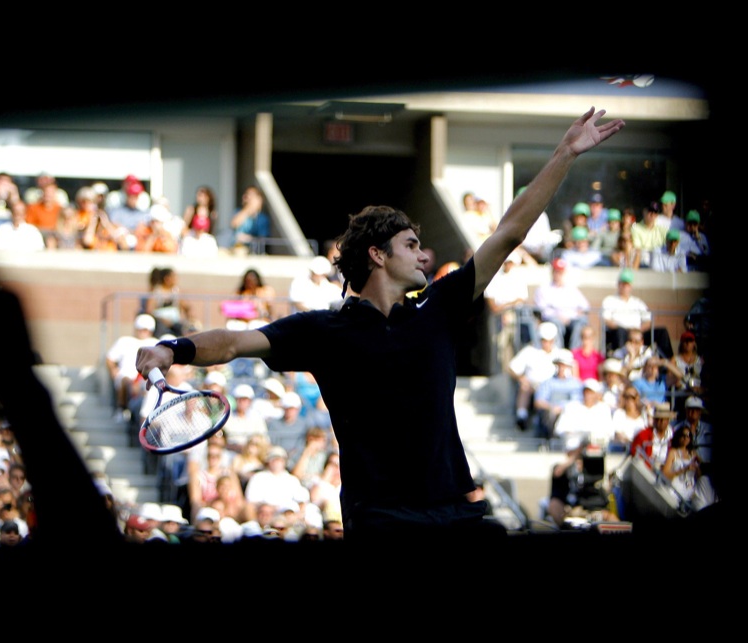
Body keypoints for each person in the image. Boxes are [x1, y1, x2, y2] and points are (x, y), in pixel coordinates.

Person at [135, 107, 626, 541]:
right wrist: (173, 349)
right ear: (377, 254)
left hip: (455, 512)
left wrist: (565, 153)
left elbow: (510, 231)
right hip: (382, 521)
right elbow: (233, 342)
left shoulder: (439, 308)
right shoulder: (324, 331)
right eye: (410, 245)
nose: (423, 254)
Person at [508, 322, 571, 431]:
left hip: (554, 388)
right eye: (544, 340)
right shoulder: (530, 351)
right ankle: (522, 416)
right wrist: (521, 378)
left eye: (549, 340)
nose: (546, 343)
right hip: (534, 387)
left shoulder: (561, 354)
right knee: (525, 387)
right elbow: (512, 367)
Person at [104, 313, 160, 423]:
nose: (142, 332)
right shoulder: (124, 341)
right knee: (125, 381)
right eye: (140, 329)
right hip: (126, 377)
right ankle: (122, 409)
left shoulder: (155, 343)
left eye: (145, 329)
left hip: (146, 378)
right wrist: (113, 370)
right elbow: (110, 358)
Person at [484, 251, 535, 369]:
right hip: (499, 316)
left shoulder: (518, 278)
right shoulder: (495, 277)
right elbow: (492, 304)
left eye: (510, 262)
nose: (508, 265)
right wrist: (508, 306)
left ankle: (514, 371)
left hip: (514, 315)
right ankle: (498, 371)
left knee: (516, 344)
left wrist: (506, 306)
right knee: (499, 346)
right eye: (507, 262)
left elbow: (521, 299)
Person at [533, 258, 590, 350]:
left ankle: (574, 352)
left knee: (581, 322)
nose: (558, 274)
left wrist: (575, 314)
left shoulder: (571, 288)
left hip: (571, 319)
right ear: (552, 272)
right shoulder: (543, 289)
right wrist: (559, 317)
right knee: (557, 323)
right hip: (553, 319)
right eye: (556, 271)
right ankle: (558, 352)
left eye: (560, 272)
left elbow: (585, 305)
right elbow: (543, 310)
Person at [532, 352, 583, 441]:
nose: (561, 369)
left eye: (564, 366)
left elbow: (578, 401)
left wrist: (563, 408)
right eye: (559, 366)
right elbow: (539, 402)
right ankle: (551, 440)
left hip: (570, 413)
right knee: (548, 415)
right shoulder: (547, 383)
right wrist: (552, 407)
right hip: (552, 413)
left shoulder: (576, 384)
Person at [601, 268, 652, 353]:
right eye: (623, 284)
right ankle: (622, 356)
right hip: (619, 330)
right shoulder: (609, 300)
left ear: (631, 286)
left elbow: (648, 320)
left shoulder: (638, 302)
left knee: (661, 332)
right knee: (620, 332)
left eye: (627, 284)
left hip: (637, 331)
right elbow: (606, 319)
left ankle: (668, 358)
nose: (625, 287)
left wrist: (638, 330)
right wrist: (623, 328)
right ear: (618, 284)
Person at [629, 402, 676, 471]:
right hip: (648, 471)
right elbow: (634, 452)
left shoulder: (675, 435)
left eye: (664, 419)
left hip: (669, 470)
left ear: (668, 420)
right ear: (654, 420)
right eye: (658, 419)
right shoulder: (643, 434)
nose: (661, 421)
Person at [229, 185, 271, 254]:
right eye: (246, 195)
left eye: (251, 195)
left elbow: (263, 238)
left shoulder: (262, 218)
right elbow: (234, 224)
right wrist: (247, 209)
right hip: (237, 249)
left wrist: (249, 239)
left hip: (255, 251)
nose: (247, 197)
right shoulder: (238, 212)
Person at [629, 201, 668, 267]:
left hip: (660, 262)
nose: (652, 215)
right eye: (650, 211)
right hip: (642, 262)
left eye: (655, 213)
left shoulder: (663, 230)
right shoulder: (635, 228)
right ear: (644, 212)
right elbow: (638, 249)